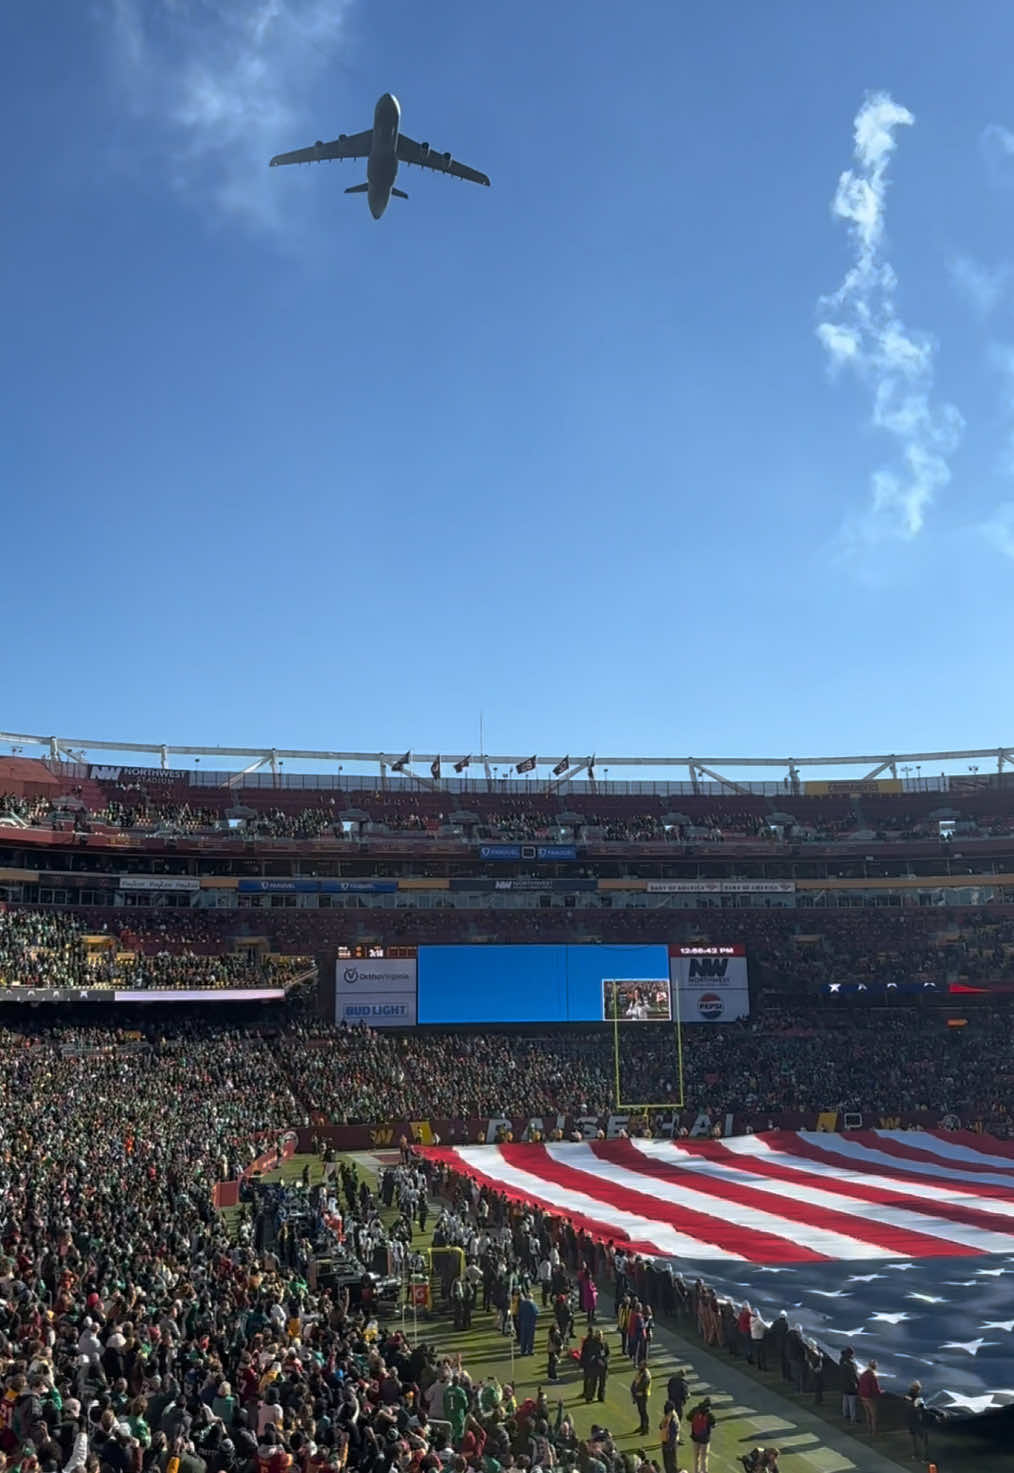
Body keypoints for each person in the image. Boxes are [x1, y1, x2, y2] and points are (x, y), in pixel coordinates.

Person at [904, 1382, 931, 1462]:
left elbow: (906, 1404)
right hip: (917, 1420)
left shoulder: (907, 1395)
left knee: (913, 1438)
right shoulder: (918, 1398)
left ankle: (915, 1454)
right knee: (924, 1439)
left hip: (908, 1419)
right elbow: (923, 1409)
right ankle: (925, 1458)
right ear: (918, 1389)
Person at [688, 1398, 716, 1473]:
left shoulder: (695, 1410)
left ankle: (696, 1471)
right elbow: (713, 1424)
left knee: (696, 1458)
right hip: (705, 1440)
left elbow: (688, 1417)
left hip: (695, 1437)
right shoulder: (709, 1414)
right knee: (704, 1459)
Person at [857, 1359, 881, 1437]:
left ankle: (869, 1429)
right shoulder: (873, 1375)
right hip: (870, 1397)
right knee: (873, 1415)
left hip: (863, 1396)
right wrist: (881, 1392)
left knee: (867, 1414)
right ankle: (874, 1432)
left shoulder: (863, 1374)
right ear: (874, 1367)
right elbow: (875, 1389)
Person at [658, 1399, 680, 1473]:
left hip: (670, 1444)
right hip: (666, 1442)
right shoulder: (668, 1416)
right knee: (667, 1464)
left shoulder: (673, 1419)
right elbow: (661, 1426)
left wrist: (669, 1446)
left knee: (671, 1464)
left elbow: (673, 1435)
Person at [839, 1347, 859, 1424]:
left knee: (845, 1400)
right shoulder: (852, 1365)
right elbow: (854, 1376)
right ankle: (853, 1419)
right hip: (851, 1386)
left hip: (843, 1384)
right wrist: (858, 1384)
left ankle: (845, 1414)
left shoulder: (842, 1361)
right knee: (852, 1403)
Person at [631, 1362, 652, 1436]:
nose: (639, 1366)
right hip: (638, 1394)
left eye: (641, 1365)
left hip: (643, 1395)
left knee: (643, 1411)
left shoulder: (646, 1375)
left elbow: (642, 1385)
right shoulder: (640, 1373)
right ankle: (642, 1426)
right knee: (640, 1411)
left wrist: (636, 1391)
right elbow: (635, 1382)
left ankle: (646, 1428)